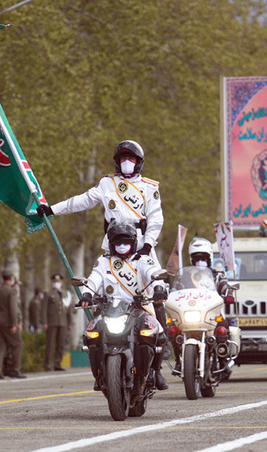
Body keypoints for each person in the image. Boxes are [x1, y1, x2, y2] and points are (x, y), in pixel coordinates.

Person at [37, 140, 164, 265]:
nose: (126, 162)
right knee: (108, 280)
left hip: (140, 242)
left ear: (138, 162)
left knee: (152, 281)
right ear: (117, 162)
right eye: (123, 158)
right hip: (115, 242)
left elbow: (156, 218)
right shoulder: (107, 183)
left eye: (131, 158)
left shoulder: (149, 187)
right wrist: (52, 209)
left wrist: (148, 245)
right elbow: (84, 200)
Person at [79, 220, 170, 391]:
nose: (122, 246)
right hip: (109, 310)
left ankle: (155, 372)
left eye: (126, 242)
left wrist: (158, 289)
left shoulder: (143, 260)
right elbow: (93, 279)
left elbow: (153, 274)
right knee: (91, 334)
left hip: (139, 308)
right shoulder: (104, 262)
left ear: (134, 242)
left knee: (157, 332)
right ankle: (99, 373)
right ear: (111, 244)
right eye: (118, 242)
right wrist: (86, 294)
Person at [170, 238, 235, 375]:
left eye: (204, 258)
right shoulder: (184, 276)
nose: (201, 261)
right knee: (173, 329)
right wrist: (168, 294)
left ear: (209, 258)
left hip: (211, 313)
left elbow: (224, 286)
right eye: (197, 258)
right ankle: (178, 359)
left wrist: (228, 293)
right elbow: (174, 290)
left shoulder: (216, 276)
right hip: (189, 312)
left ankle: (222, 360)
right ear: (191, 259)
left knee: (223, 327)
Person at [0, 270, 26, 379]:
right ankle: (15, 370)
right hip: (8, 322)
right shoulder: (12, 291)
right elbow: (13, 309)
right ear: (11, 278)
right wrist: (14, 324)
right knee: (17, 344)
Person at [42, 274, 71, 371]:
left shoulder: (65, 294)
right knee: (50, 344)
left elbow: (68, 310)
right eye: (55, 282)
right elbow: (44, 309)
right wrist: (44, 322)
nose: (57, 283)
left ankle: (57, 363)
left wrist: (69, 323)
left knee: (61, 344)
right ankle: (48, 365)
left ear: (62, 283)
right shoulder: (48, 294)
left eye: (58, 282)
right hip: (52, 322)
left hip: (63, 322)